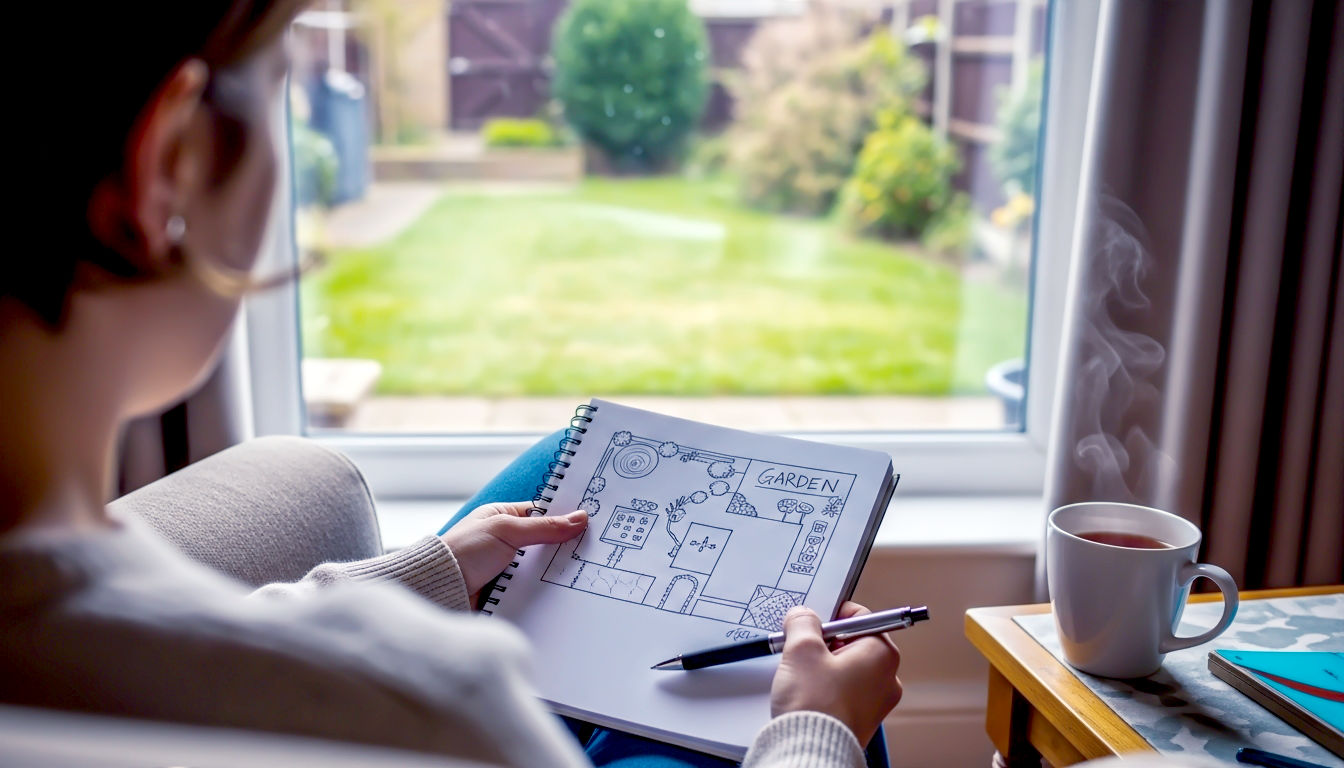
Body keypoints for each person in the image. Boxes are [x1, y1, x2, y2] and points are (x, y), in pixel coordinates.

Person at [0, 2, 904, 766]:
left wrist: (432, 572)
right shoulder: (444, 709)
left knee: (567, 469)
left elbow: (196, 659)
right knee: (787, 673)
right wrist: (817, 735)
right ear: (168, 164)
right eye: (285, 97)